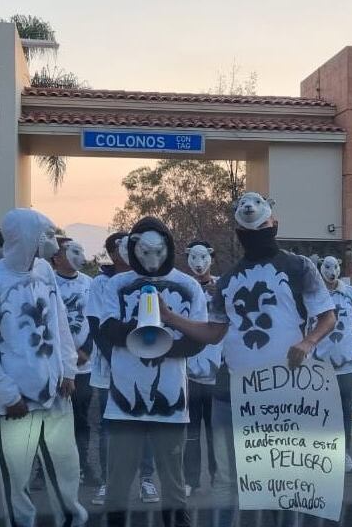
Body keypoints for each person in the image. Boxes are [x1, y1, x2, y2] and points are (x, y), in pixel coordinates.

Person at [160, 191, 336, 527]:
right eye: (248, 230)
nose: (255, 234)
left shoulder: (300, 267)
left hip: (284, 389)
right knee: (227, 479)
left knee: (283, 478)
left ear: (275, 224)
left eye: (262, 226)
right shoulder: (226, 281)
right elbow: (213, 332)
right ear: (239, 233)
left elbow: (328, 316)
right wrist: (170, 318)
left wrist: (308, 341)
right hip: (231, 391)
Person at [0, 208, 88, 527]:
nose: (53, 243)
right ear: (25, 238)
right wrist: (8, 395)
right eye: (46, 235)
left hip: (56, 396)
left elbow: (59, 321)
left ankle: (72, 522)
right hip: (17, 405)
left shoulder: (44, 272)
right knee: (17, 480)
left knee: (66, 469)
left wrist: (68, 370)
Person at [98, 217, 207, 527]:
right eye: (144, 252)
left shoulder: (188, 286)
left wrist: (162, 342)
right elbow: (106, 328)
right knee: (118, 479)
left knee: (173, 481)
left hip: (172, 402)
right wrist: (139, 330)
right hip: (123, 403)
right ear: (134, 250)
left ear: (168, 248)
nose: (151, 259)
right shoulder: (116, 284)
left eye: (157, 251)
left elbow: (198, 337)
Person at [86, 233, 159, 506]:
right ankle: (109, 481)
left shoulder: (148, 281)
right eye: (124, 247)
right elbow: (97, 326)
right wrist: (117, 363)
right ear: (114, 254)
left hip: (143, 367)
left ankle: (147, 480)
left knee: (146, 421)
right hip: (108, 374)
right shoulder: (101, 283)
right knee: (110, 428)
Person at [51, 237, 100, 486]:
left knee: (81, 417)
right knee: (53, 417)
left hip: (84, 366)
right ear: (57, 257)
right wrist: (65, 354)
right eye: (73, 252)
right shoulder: (47, 284)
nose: (79, 257)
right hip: (56, 365)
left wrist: (86, 350)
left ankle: (83, 465)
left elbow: (95, 318)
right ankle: (46, 468)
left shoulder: (89, 284)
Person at [313, 255, 352, 473]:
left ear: (339, 268)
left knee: (345, 408)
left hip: (346, 362)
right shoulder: (313, 293)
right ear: (321, 269)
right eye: (327, 267)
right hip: (319, 361)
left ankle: (344, 453)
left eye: (334, 267)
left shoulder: (350, 293)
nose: (331, 272)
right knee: (321, 409)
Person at [183, 240, 221, 495]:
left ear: (211, 258)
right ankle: (190, 480)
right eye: (193, 258)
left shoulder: (223, 287)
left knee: (216, 430)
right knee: (191, 431)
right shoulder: (182, 287)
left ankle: (219, 477)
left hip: (218, 370)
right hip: (189, 371)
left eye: (203, 257)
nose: (199, 264)